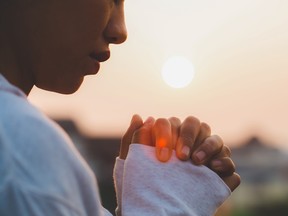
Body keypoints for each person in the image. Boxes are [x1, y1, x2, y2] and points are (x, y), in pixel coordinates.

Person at [0, 0, 240, 215]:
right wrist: (168, 206)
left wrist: (140, 202)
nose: (120, 32)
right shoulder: (20, 150)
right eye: (112, 0)